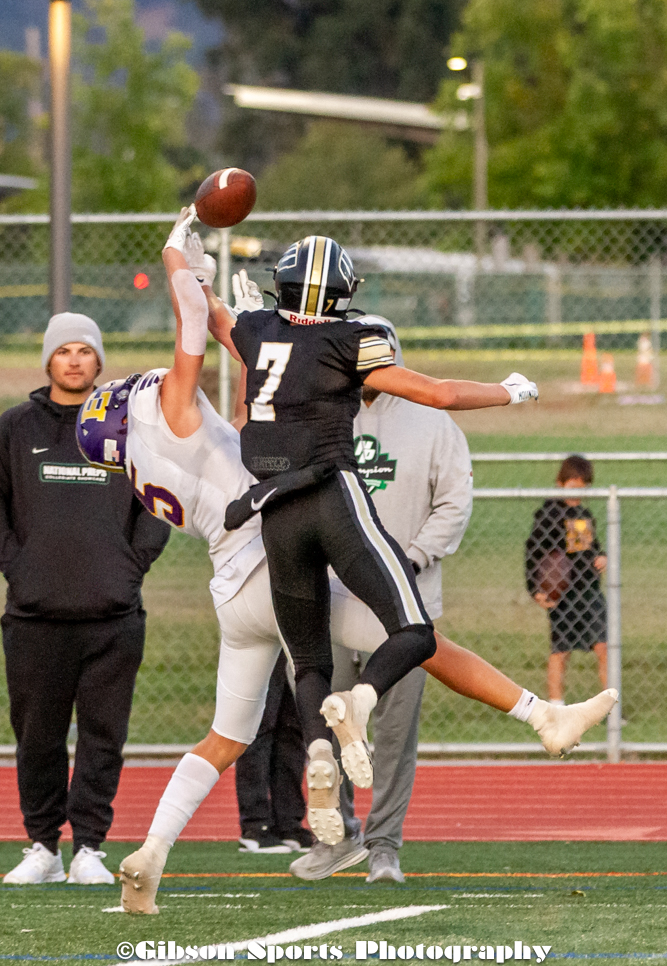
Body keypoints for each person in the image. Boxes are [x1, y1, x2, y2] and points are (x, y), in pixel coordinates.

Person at [89, 210, 615, 915]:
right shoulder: (178, 408)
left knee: (226, 736)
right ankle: (535, 715)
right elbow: (194, 321)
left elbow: (233, 352)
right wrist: (179, 249)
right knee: (418, 637)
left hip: (235, 580)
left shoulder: (141, 467)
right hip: (281, 537)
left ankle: (153, 852)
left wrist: (225, 299)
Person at [290, 315, 473, 883]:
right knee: (326, 723)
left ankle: (385, 845)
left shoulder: (433, 424)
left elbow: (454, 503)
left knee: (392, 735)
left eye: (379, 354)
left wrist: (410, 559)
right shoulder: (320, 416)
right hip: (334, 602)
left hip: (406, 606)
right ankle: (334, 837)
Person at [0, 313, 170, 887]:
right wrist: (19, 569)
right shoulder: (14, 429)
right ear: (48, 360)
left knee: (103, 735)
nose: (74, 361)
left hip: (112, 614)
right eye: (63, 351)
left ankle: (90, 847)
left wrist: (128, 569)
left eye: (85, 351)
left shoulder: (127, 428)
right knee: (39, 737)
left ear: (99, 363)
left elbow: (157, 506)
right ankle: (43, 846)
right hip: (34, 615)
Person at [525, 454, 608, 704]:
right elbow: (533, 552)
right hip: (563, 594)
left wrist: (600, 557)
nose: (577, 494)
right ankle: (556, 706)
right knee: (560, 651)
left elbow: (591, 546)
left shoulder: (583, 513)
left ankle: (611, 706)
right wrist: (535, 588)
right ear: (560, 483)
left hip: (589, 590)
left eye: (583, 489)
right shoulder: (550, 513)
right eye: (573, 487)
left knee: (605, 646)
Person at [235, 652, 313, 854]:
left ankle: (288, 823)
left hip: (293, 636)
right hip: (262, 634)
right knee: (260, 723)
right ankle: (255, 825)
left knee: (292, 725)